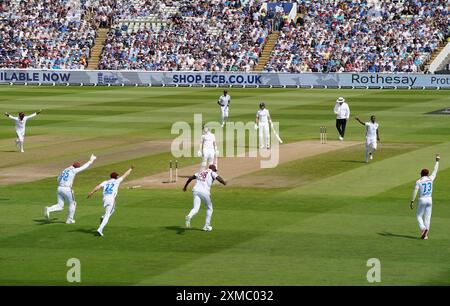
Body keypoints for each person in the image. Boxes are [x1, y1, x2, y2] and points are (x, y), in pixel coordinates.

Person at [45, 154, 97, 224]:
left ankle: (49, 209)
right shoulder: (73, 171)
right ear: (76, 167)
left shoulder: (65, 170)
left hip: (59, 188)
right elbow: (84, 167)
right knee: (73, 203)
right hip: (67, 189)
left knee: (60, 206)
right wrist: (91, 161)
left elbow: (58, 179)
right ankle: (69, 220)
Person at [87, 166, 134, 237]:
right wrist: (131, 169)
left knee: (112, 211)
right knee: (107, 215)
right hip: (111, 199)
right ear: (116, 177)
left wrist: (91, 192)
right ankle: (100, 229)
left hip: (104, 198)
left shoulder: (105, 182)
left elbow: (98, 187)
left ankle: (102, 217)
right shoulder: (117, 181)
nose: (118, 176)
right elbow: (125, 174)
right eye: (117, 176)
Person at [183, 164, 226, 232]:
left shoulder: (201, 172)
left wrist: (185, 187)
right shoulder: (212, 172)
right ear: (213, 169)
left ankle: (189, 216)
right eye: (215, 170)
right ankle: (206, 226)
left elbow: (191, 178)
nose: (215, 171)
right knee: (209, 208)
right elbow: (219, 178)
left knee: (195, 208)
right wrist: (224, 183)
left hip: (195, 190)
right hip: (204, 192)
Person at [410, 154, 440, 240]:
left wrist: (412, 201)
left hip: (422, 199)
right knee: (428, 217)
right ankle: (425, 235)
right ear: (427, 174)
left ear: (421, 174)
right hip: (429, 199)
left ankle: (423, 229)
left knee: (419, 216)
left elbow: (415, 191)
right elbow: (435, 170)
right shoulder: (431, 178)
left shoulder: (418, 181)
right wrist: (437, 161)